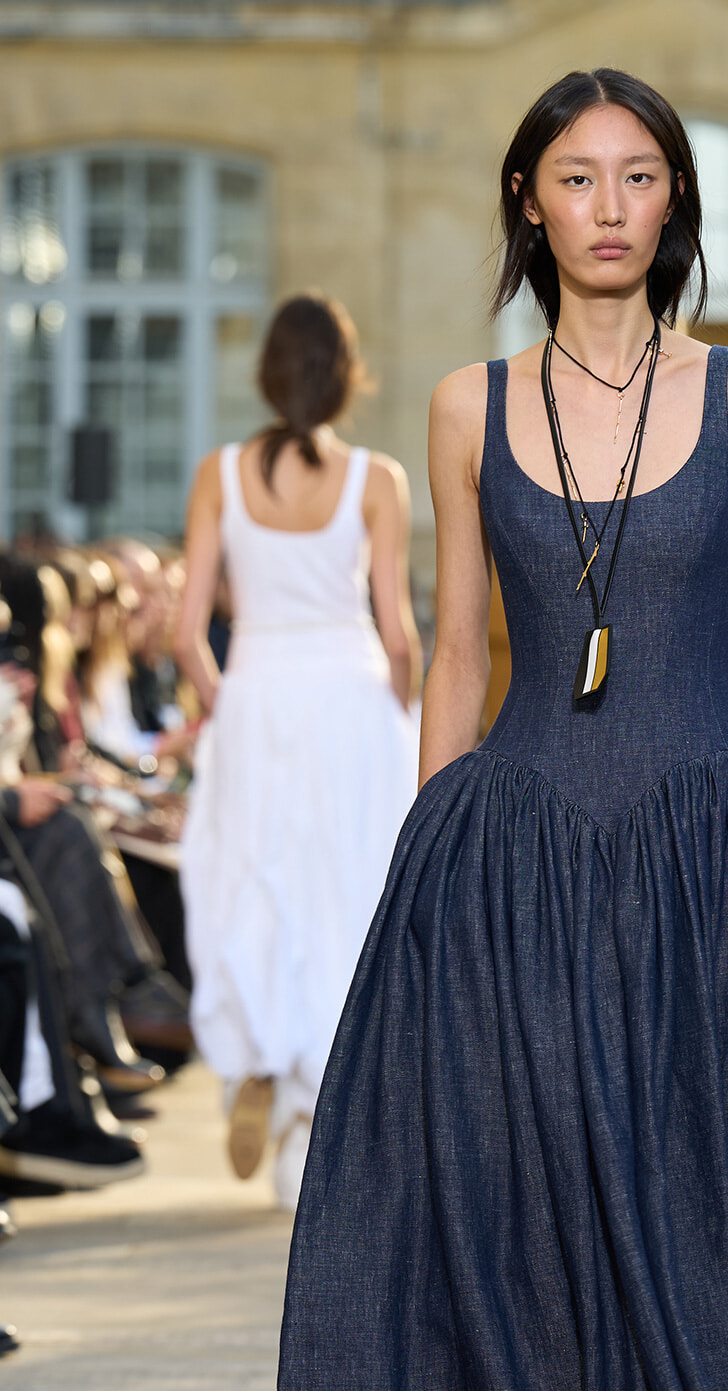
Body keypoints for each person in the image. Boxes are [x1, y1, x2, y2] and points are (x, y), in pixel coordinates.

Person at [275, 71, 728, 1391]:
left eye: (638, 175)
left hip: (709, 851)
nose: (607, 203)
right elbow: (456, 647)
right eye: (574, 176)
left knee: (698, 1222)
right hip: (510, 852)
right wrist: (422, 852)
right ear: (528, 201)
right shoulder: (463, 407)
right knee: (507, 1217)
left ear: (675, 204)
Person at [175, 294, 422, 1208]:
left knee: (255, 885)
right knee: (348, 901)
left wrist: (224, 705)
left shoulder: (220, 475)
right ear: (348, 375)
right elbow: (398, 632)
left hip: (260, 697)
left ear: (266, 374)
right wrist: (402, 716)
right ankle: (316, 1120)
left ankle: (265, 1069)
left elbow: (185, 628)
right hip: (353, 700)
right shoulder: (375, 479)